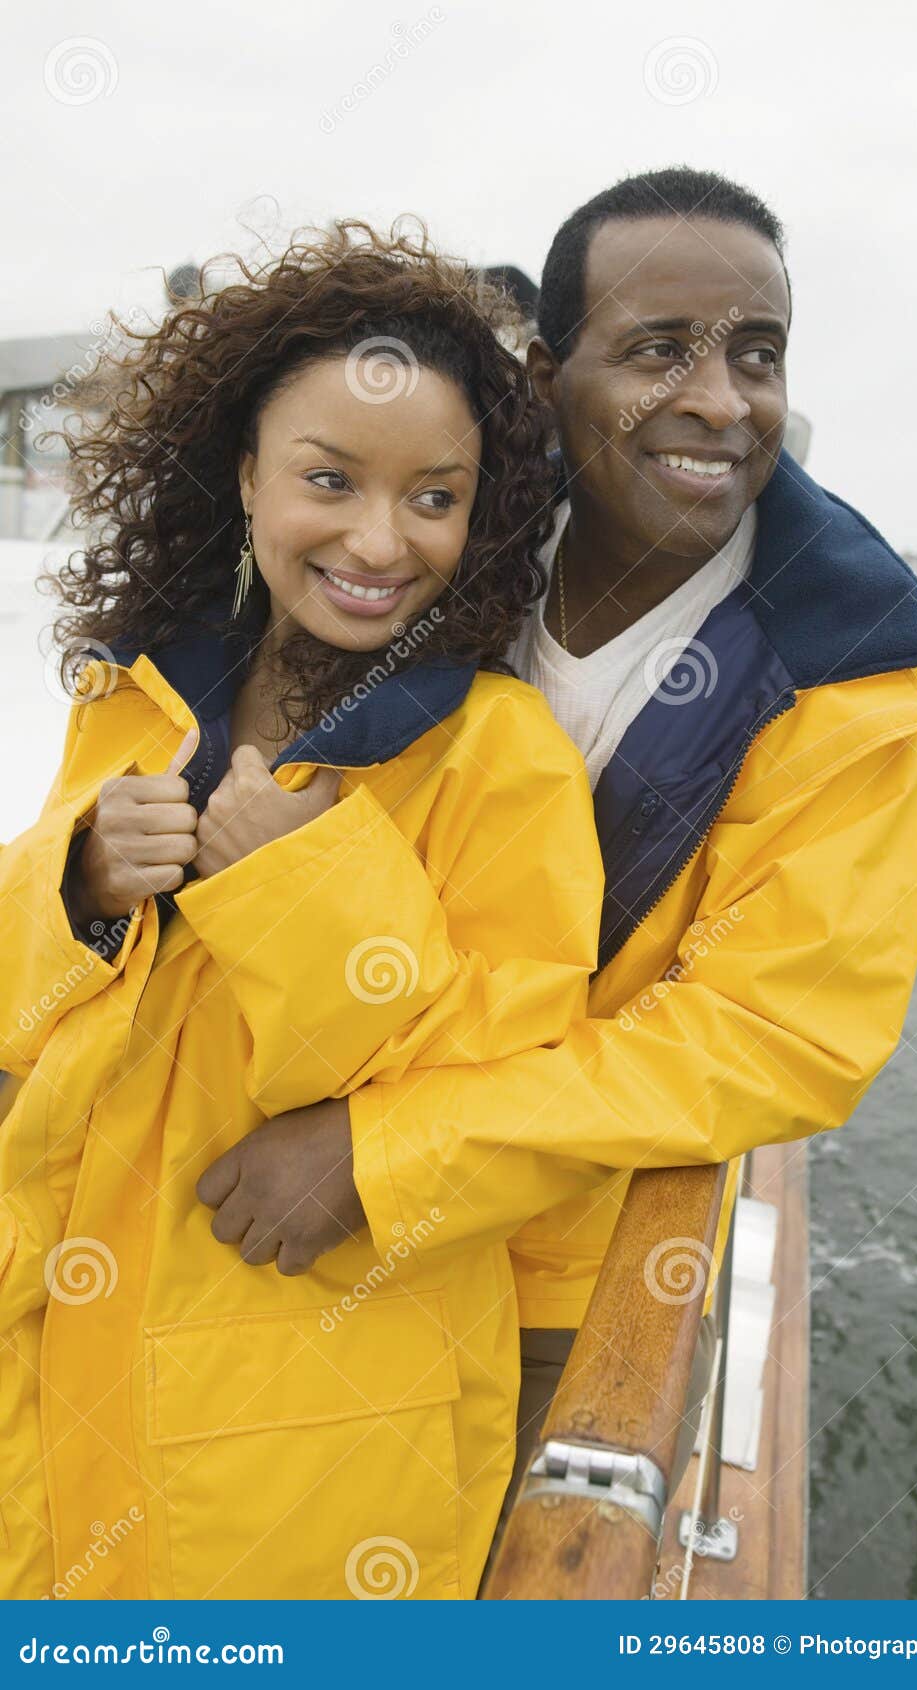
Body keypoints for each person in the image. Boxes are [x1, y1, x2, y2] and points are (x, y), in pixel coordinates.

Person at [213, 168, 917, 1564]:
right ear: (550, 377)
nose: (722, 399)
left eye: (758, 352)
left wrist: (393, 1153)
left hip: (549, 1261)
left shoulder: (857, 687)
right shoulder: (429, 535)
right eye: (659, 347)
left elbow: (773, 1039)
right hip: (264, 1169)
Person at [0, 221, 605, 1600]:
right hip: (59, 1348)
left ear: (485, 511)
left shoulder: (499, 753)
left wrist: (300, 884)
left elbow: (512, 1091)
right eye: (328, 480)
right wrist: (77, 881)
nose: (378, 541)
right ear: (247, 474)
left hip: (311, 1413)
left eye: (434, 498)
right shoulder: (138, 693)